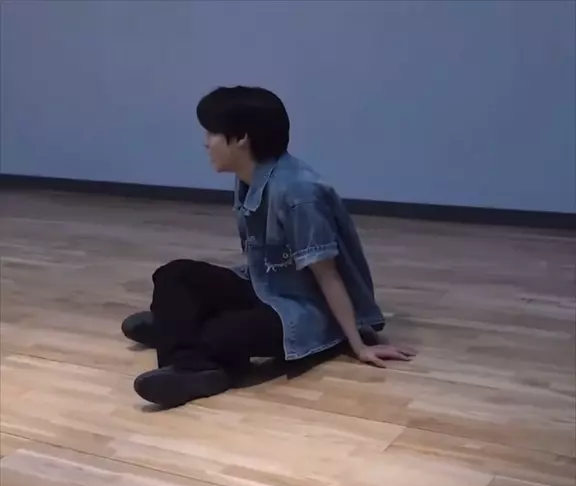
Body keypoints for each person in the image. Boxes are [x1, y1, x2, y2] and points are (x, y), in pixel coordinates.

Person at [122, 86, 416, 408]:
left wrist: (359, 344)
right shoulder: (248, 176)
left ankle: (182, 339)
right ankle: (185, 349)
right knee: (174, 274)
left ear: (241, 138)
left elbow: (329, 275)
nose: (206, 142)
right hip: (267, 285)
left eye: (212, 132)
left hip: (305, 307)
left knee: (222, 332)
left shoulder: (299, 193)